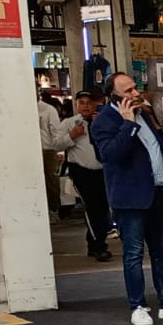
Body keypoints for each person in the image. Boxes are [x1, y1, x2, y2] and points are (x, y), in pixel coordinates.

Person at [90, 72, 163, 325]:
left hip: (157, 192)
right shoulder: (103, 122)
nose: (135, 93)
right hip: (129, 198)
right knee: (133, 253)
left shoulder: (146, 114)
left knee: (162, 250)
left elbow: (160, 149)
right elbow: (110, 155)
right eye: (128, 91)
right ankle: (138, 306)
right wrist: (128, 124)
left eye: (135, 87)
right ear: (114, 96)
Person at [46, 90, 111, 261]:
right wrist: (72, 135)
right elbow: (56, 144)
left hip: (103, 171)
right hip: (82, 171)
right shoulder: (69, 123)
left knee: (104, 207)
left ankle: (95, 241)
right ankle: (98, 245)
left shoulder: (103, 120)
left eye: (89, 102)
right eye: (82, 103)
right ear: (76, 105)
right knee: (92, 206)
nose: (86, 106)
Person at [35, 88, 66, 216]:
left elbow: (56, 131)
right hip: (30, 151)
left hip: (47, 150)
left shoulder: (48, 109)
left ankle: (54, 209)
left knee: (51, 181)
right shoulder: (21, 109)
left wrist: (61, 151)